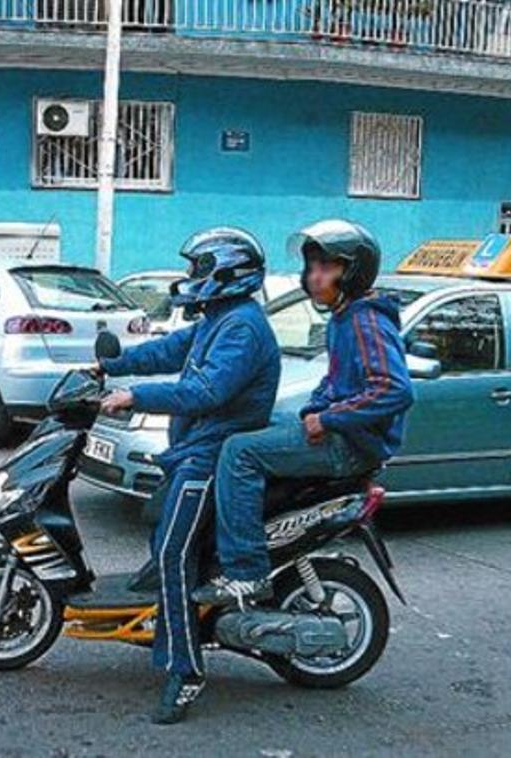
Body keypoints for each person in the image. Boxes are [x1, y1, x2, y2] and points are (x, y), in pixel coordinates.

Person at [97, 228, 281, 725]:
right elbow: (170, 350)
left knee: (174, 554)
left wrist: (135, 396)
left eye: (199, 269)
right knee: (164, 542)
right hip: (191, 451)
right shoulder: (219, 319)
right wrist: (112, 364)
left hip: (210, 456)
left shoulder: (243, 327)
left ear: (226, 272)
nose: (190, 278)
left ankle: (186, 669)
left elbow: (205, 391)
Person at [194, 219, 414, 609]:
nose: (315, 277)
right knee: (252, 427)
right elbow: (334, 383)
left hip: (353, 444)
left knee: (237, 452)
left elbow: (392, 389)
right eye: (311, 267)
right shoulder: (345, 318)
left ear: (353, 272)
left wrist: (328, 420)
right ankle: (255, 532)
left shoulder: (365, 320)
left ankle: (246, 572)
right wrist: (314, 410)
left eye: (326, 268)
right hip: (345, 434)